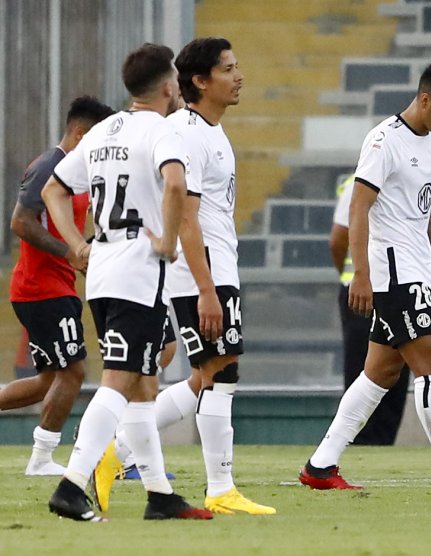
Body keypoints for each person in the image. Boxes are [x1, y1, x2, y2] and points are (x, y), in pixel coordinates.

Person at [298, 60, 431, 493]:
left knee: (380, 372)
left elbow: (426, 206)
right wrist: (360, 274)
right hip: (393, 274)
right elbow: (358, 208)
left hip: (416, 270)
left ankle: (320, 466)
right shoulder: (383, 141)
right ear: (425, 100)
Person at [97, 37, 275, 515]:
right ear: (200, 80)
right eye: (228, 69)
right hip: (201, 270)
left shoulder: (211, 130)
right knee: (221, 372)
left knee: (206, 374)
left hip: (216, 265)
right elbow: (188, 218)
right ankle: (220, 487)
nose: (239, 76)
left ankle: (116, 451)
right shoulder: (185, 133)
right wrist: (206, 289)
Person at [44, 43, 211, 522]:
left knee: (142, 386)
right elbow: (175, 184)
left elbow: (54, 189)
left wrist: (77, 244)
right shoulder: (163, 131)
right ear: (168, 86)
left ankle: (159, 495)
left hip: (103, 265)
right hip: (139, 268)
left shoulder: (102, 131)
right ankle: (72, 485)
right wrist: (168, 241)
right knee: (120, 381)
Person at [0, 96, 113, 476]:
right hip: (41, 288)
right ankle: (42, 458)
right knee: (73, 372)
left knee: (46, 380)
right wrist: (70, 253)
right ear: (80, 133)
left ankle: (42, 457)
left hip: (55, 285)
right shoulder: (49, 165)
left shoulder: (74, 173)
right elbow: (20, 222)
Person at [332, 173, 410, 445]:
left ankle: (381, 444)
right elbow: (338, 239)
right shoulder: (363, 179)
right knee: (364, 372)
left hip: (396, 288)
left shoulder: (405, 178)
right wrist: (357, 277)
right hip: (364, 293)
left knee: (394, 372)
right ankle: (354, 442)